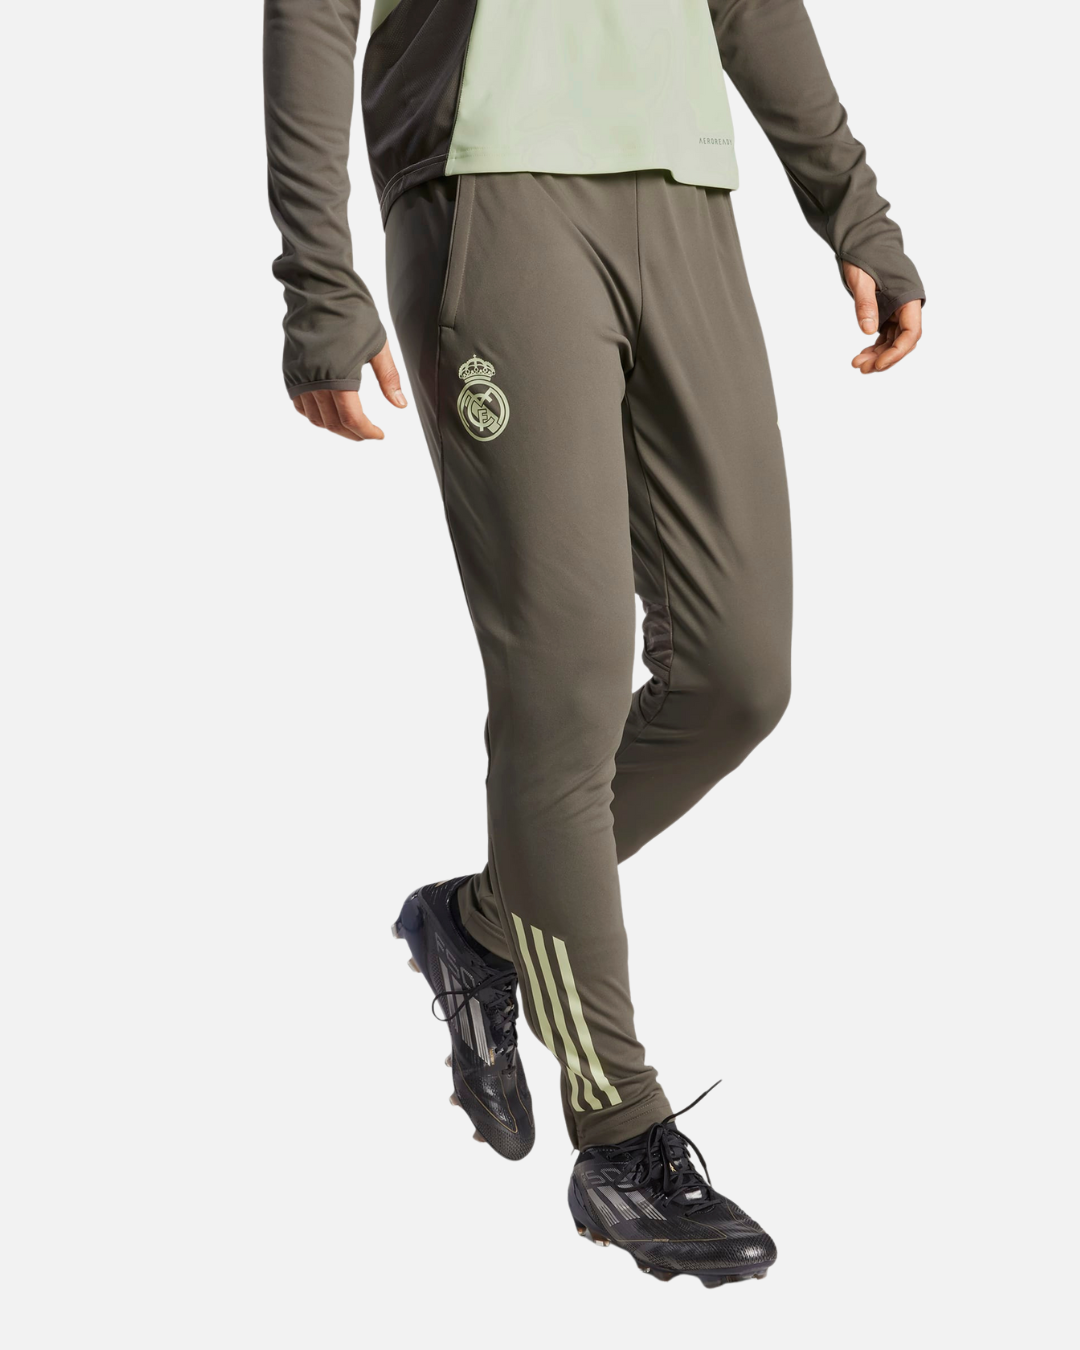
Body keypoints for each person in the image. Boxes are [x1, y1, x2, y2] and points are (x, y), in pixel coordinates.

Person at [264, 0, 923, 1288]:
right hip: (489, 183)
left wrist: (854, 207)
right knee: (559, 691)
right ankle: (619, 1136)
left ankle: (482, 921)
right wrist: (318, 274)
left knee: (739, 676)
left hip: (683, 190)